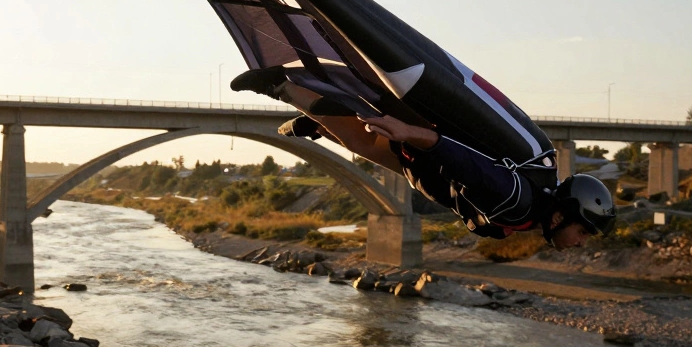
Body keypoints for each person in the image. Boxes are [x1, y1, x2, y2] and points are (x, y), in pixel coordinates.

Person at [232, 67, 617, 250]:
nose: (582, 243)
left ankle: (310, 114)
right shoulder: (517, 203)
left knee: (360, 139)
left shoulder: (530, 214)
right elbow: (469, 166)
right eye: (583, 232)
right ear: (560, 215)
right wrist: (413, 135)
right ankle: (284, 89)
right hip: (431, 160)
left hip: (431, 175)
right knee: (367, 133)